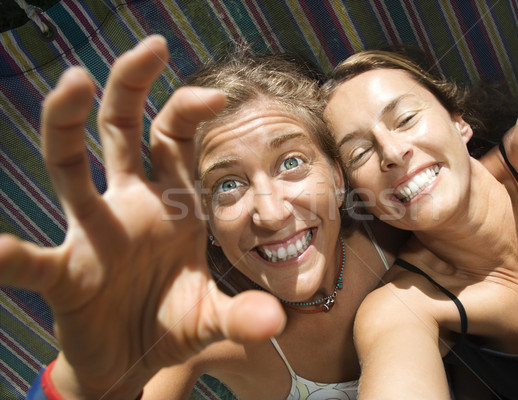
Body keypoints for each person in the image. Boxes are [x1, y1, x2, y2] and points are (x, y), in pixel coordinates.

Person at [0, 36, 405, 400]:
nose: (272, 213)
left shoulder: (398, 233)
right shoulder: (206, 330)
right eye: (228, 185)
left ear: (337, 176)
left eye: (291, 162)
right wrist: (80, 377)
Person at [322, 49, 518, 399]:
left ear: (458, 122)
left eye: (406, 119)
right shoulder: (403, 305)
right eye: (359, 153)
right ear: (358, 197)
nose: (392, 153)